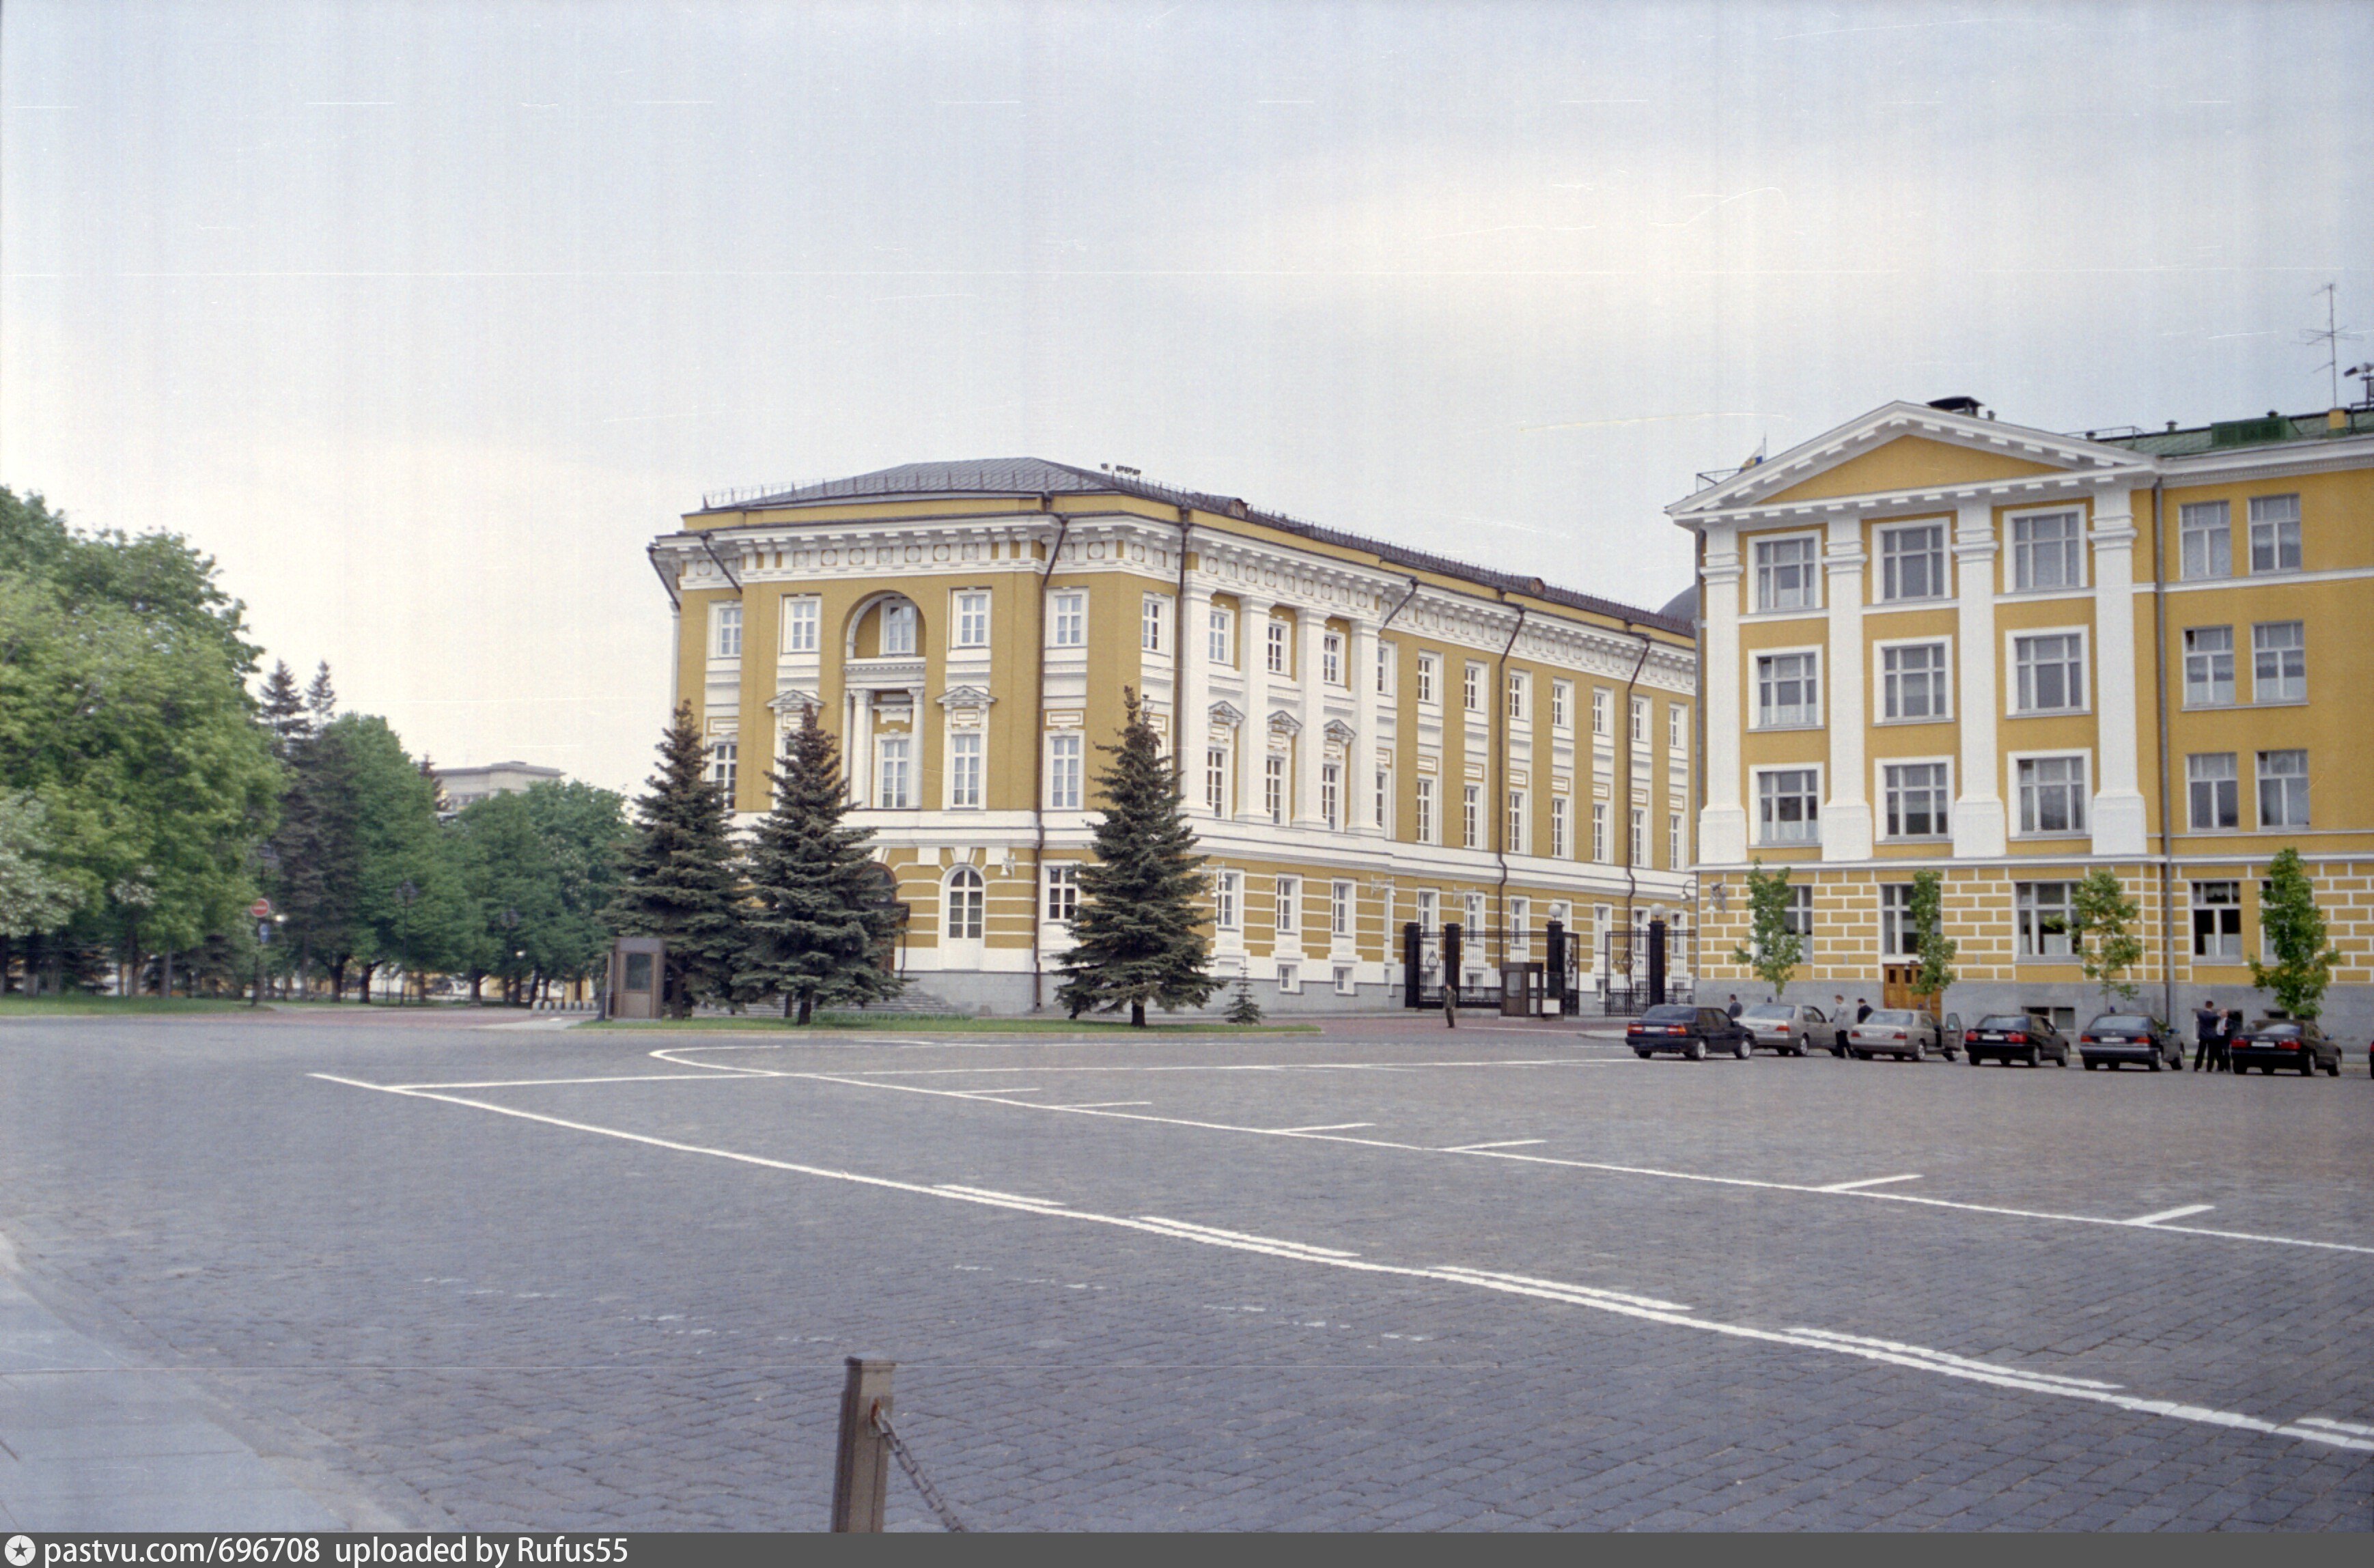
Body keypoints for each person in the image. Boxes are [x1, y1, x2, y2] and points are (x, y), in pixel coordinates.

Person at [2192, 998, 2220, 1072]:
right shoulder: (2214, 1016)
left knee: (2200, 1051)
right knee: (2211, 1053)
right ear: (2212, 1006)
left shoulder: (2200, 1014)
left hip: (2203, 1035)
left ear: (2205, 1005)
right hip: (2212, 1035)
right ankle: (2209, 1068)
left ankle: (2197, 1066)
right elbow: (2215, 1024)